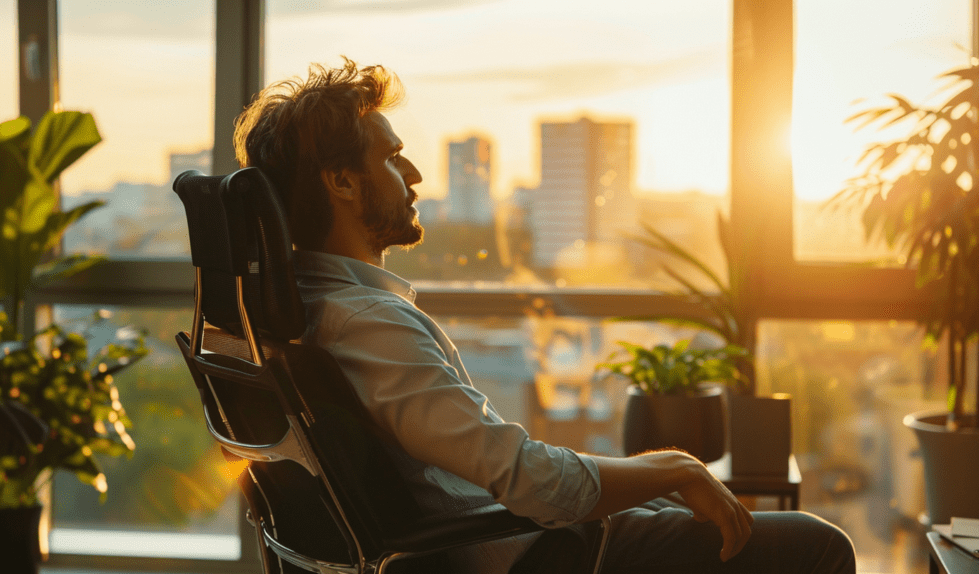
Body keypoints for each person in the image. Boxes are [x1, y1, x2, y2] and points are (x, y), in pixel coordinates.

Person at [232, 57, 856, 574]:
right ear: (341, 183)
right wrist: (676, 466)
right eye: (393, 158)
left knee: (673, 508)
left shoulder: (299, 317)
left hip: (506, 538)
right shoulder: (368, 324)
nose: (415, 173)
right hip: (535, 556)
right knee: (817, 544)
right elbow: (524, 480)